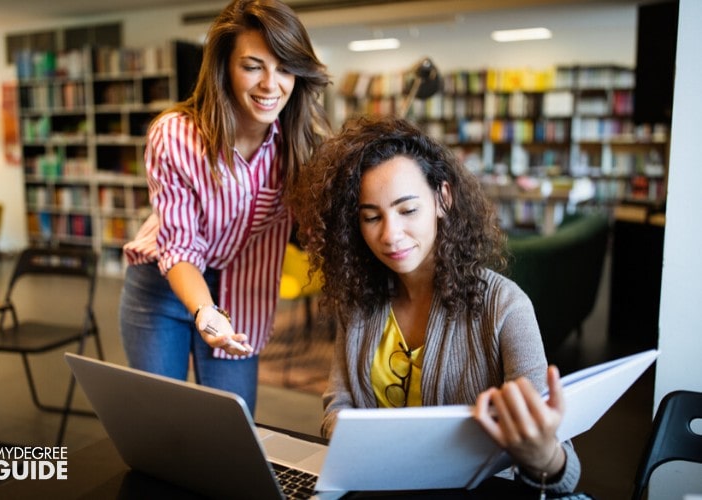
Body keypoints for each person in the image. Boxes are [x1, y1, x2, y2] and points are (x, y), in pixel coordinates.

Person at [289, 115, 580, 494]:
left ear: (443, 199)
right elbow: (336, 405)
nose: (390, 234)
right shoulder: (359, 301)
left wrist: (544, 456)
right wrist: (352, 436)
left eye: (407, 210)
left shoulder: (505, 306)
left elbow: (561, 464)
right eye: (371, 217)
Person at [119, 0, 331, 414]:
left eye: (285, 68)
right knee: (162, 421)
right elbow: (179, 246)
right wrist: (205, 312)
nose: (271, 85)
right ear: (224, 68)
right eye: (253, 66)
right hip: (162, 288)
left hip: (243, 290)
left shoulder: (301, 145)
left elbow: (315, 233)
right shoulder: (177, 135)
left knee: (232, 426)